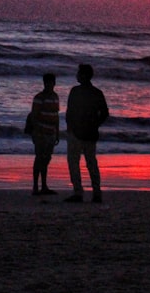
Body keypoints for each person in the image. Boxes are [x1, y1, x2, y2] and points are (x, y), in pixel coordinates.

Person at [64, 63, 109, 203]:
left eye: (78, 73)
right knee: (91, 163)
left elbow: (69, 112)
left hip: (77, 132)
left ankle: (78, 192)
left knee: (74, 162)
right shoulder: (97, 93)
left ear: (83, 75)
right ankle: (96, 192)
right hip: (90, 133)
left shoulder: (75, 91)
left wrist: (70, 127)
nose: (77, 75)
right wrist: (95, 125)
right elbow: (105, 113)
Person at [30, 73, 60, 196]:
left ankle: (44, 186)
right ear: (44, 83)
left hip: (51, 133)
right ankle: (36, 187)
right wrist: (36, 133)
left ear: (54, 83)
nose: (49, 85)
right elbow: (34, 116)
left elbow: (56, 115)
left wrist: (57, 132)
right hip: (41, 133)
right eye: (47, 83)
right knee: (39, 159)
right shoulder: (39, 97)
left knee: (46, 160)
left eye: (51, 83)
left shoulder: (55, 97)